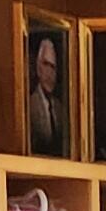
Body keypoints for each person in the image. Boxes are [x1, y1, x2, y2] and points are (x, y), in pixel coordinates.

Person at [24, 29, 68, 161]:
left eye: (53, 67)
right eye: (46, 65)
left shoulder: (60, 109)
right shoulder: (29, 106)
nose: (50, 73)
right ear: (38, 68)